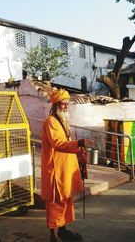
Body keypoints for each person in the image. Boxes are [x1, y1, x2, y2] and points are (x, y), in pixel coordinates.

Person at [41, 88, 91, 242]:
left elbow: (67, 143)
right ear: (56, 105)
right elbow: (57, 143)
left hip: (66, 167)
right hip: (56, 168)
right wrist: (78, 142)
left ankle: (62, 230)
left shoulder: (62, 121)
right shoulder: (51, 122)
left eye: (67, 104)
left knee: (66, 200)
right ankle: (53, 235)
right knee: (56, 202)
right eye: (63, 104)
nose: (66, 106)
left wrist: (79, 152)